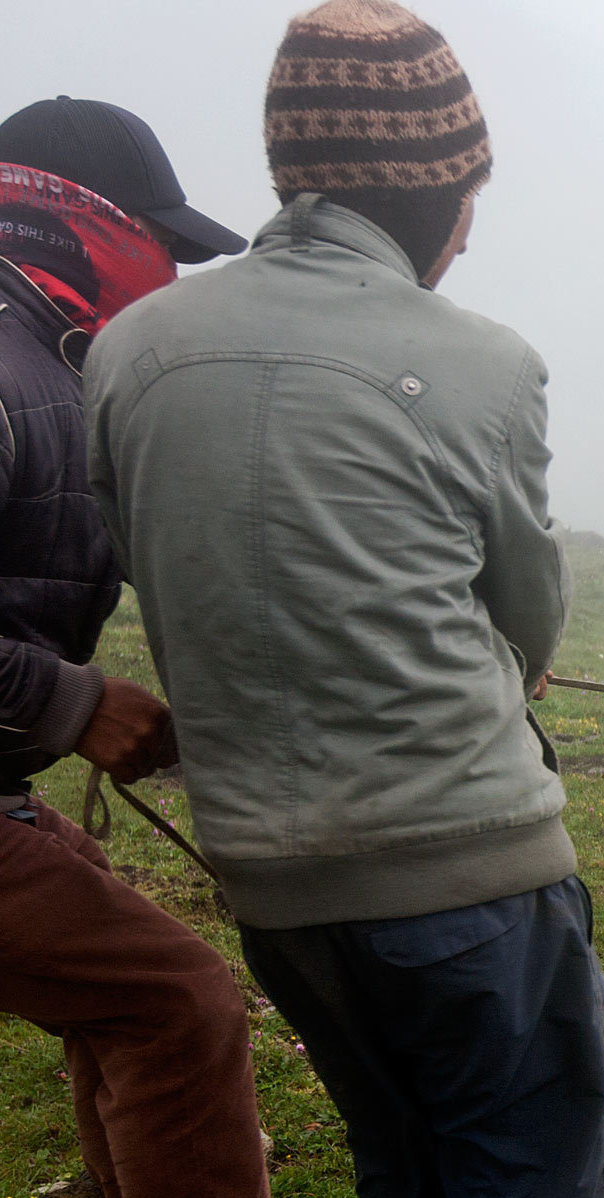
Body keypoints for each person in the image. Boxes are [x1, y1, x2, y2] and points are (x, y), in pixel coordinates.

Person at [83, 3, 604, 1194]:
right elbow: (531, 611)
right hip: (471, 866)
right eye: (469, 195)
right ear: (433, 193)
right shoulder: (485, 360)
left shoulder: (129, 350)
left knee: (402, 1155)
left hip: (276, 886)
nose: (470, 237)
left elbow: (140, 557)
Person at [0, 98, 268, 1197]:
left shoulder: (49, 359)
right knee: (179, 999)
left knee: (113, 948)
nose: (168, 269)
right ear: (72, 219)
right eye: (160, 240)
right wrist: (73, 704)